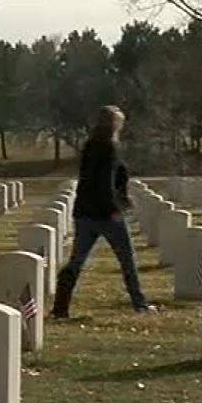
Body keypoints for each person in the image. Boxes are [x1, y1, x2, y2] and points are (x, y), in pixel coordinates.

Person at [52, 105, 152, 317]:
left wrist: (123, 196)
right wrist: (114, 209)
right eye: (120, 121)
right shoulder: (108, 147)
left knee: (76, 261)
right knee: (127, 259)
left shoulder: (90, 145)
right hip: (105, 214)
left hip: (84, 212)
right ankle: (139, 303)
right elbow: (104, 182)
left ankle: (60, 307)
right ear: (114, 124)